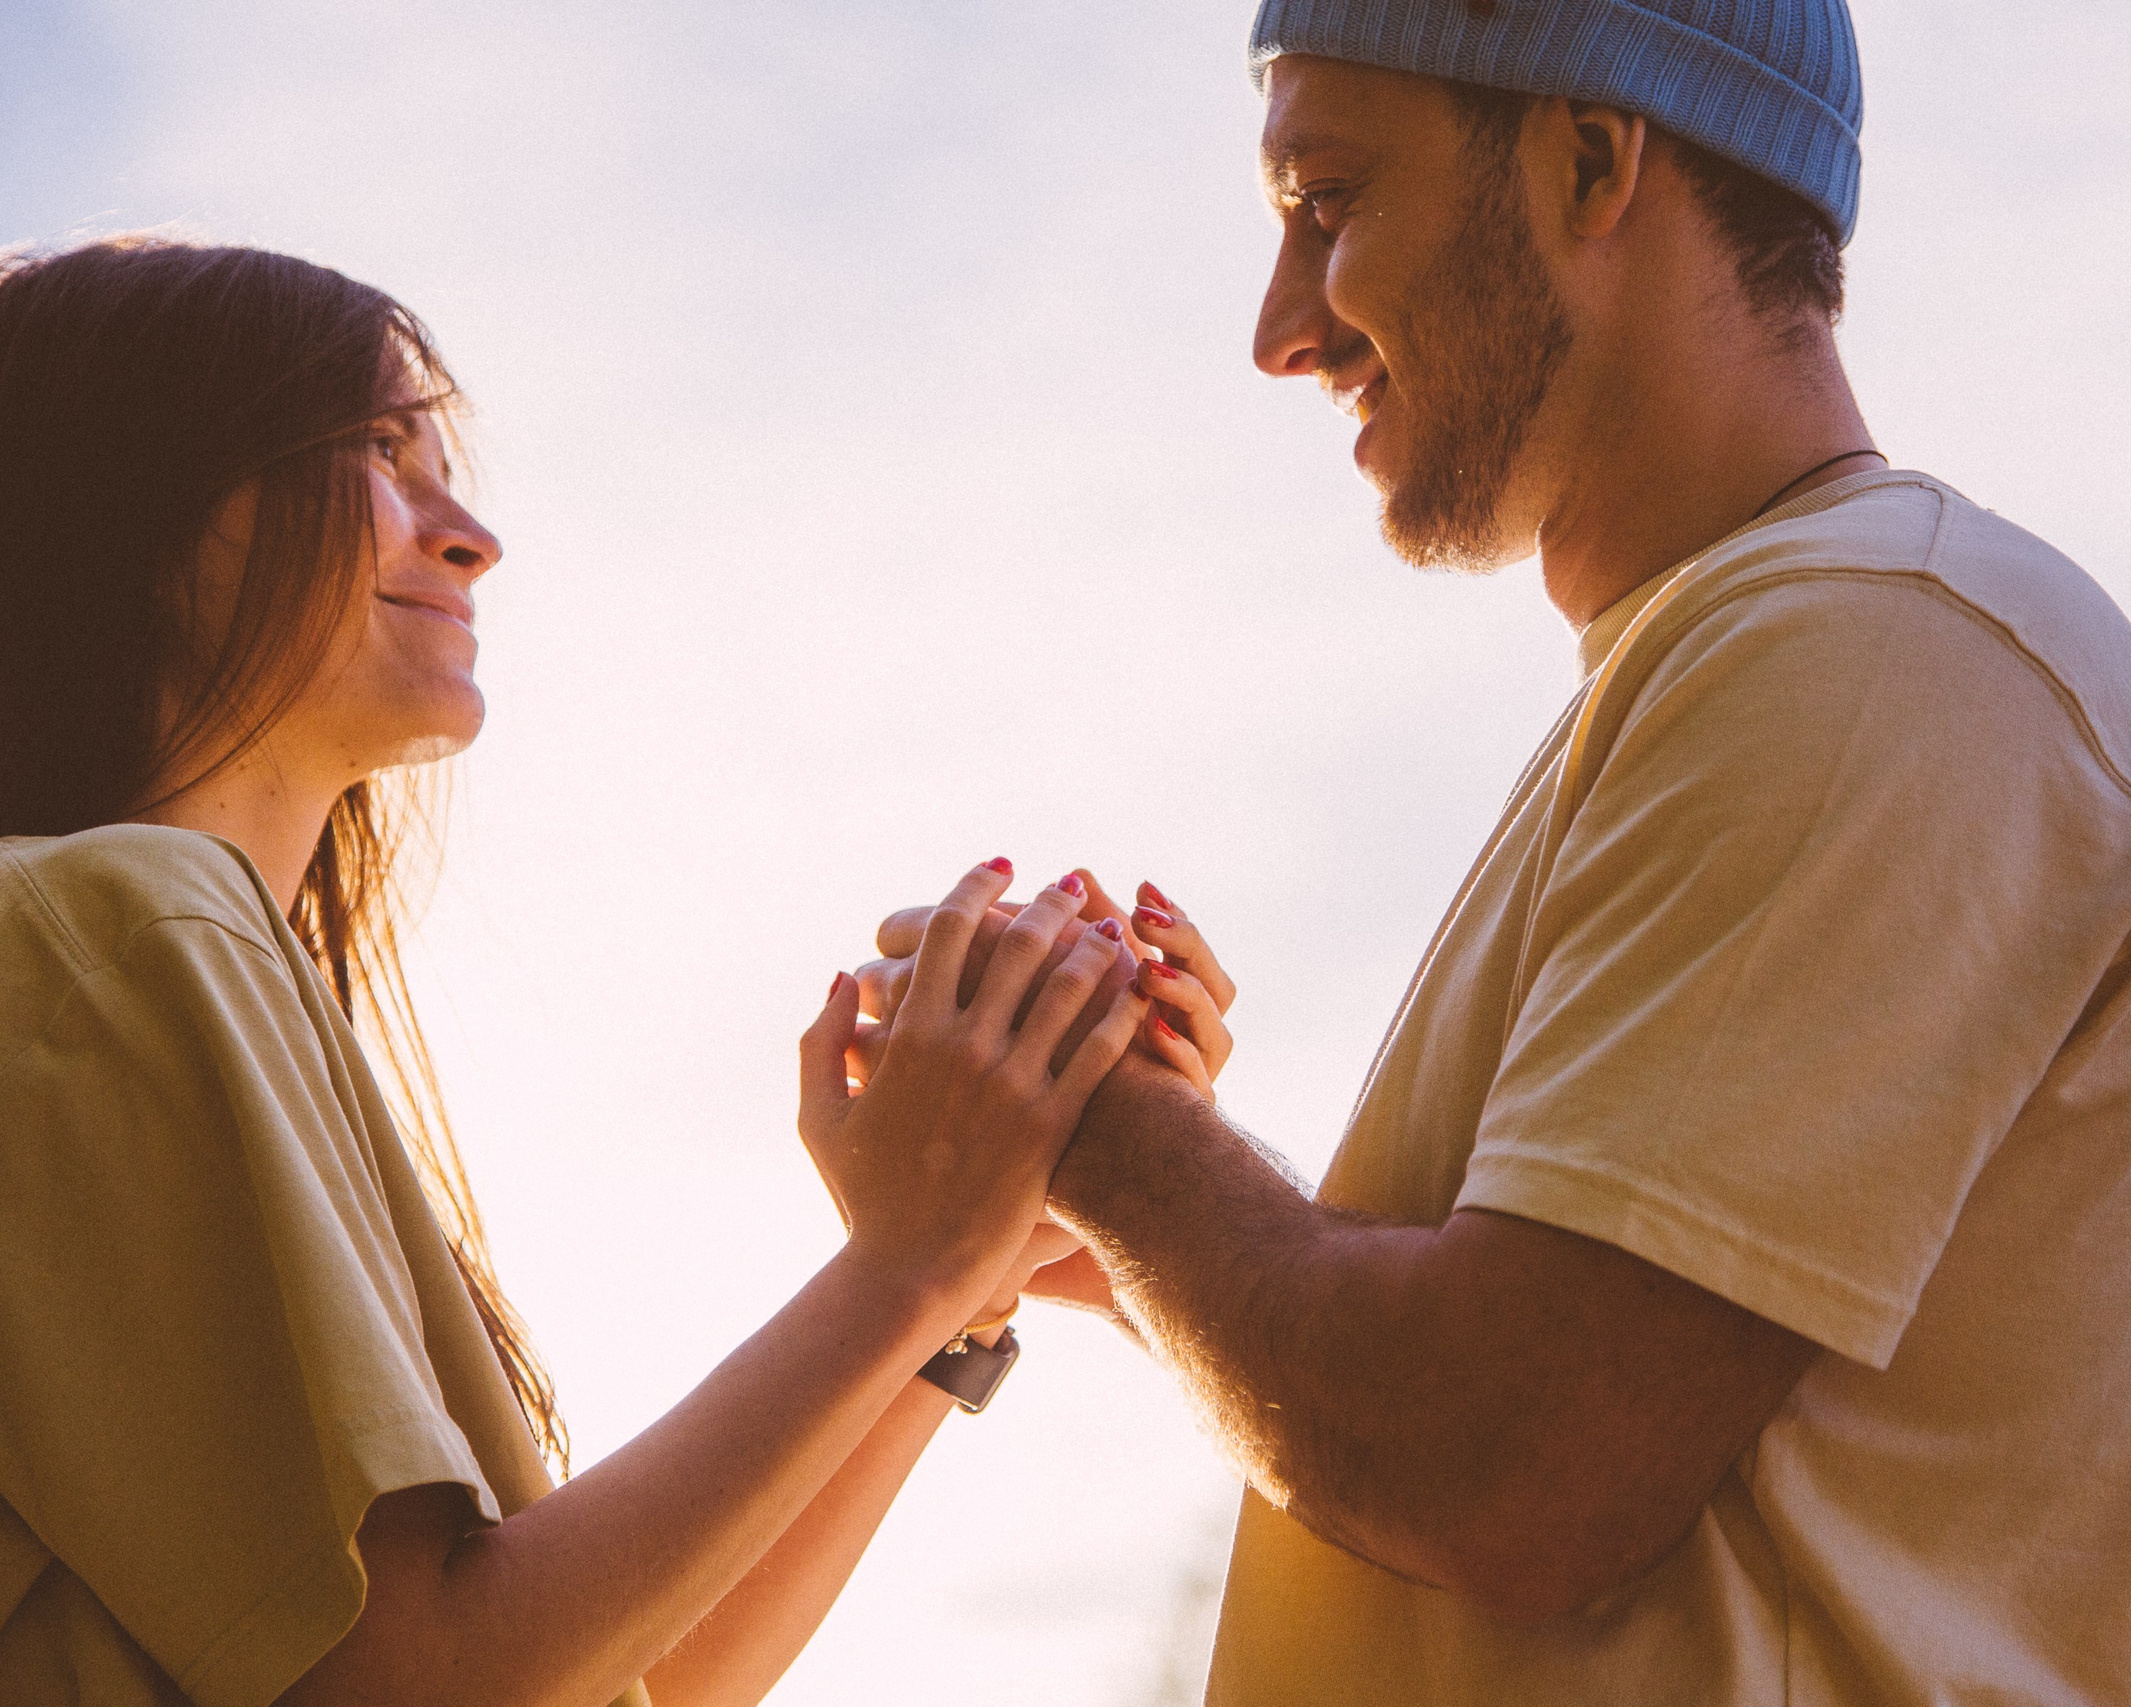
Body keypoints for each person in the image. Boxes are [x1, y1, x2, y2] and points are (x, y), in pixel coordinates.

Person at [869, 2, 2131, 1701]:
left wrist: (1091, 1118)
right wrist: (1142, 1250)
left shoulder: (1869, 650)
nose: (1278, 331)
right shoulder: (1771, 665)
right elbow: (1550, 1385)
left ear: (1591, 158)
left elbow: (1506, 1460)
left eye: (1329, 201)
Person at [0, 237, 1228, 1707]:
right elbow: (429, 1692)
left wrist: (965, 1274)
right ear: (131, 492)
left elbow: (629, 1678)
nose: (467, 534)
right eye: (372, 451)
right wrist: (906, 1262)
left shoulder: (134, 961)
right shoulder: (109, 928)